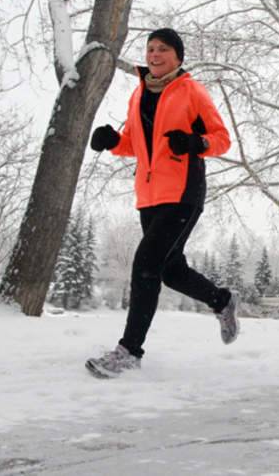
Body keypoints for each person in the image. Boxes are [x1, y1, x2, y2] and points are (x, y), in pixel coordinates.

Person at [85, 28, 239, 379]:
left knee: (145, 264)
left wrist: (194, 143)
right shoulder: (138, 95)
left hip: (183, 192)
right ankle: (221, 300)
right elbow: (135, 145)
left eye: (163, 49)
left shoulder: (192, 91)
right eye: (150, 49)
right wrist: (112, 141)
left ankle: (129, 351)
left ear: (178, 57)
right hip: (149, 196)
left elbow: (222, 139)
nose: (155, 55)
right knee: (171, 272)